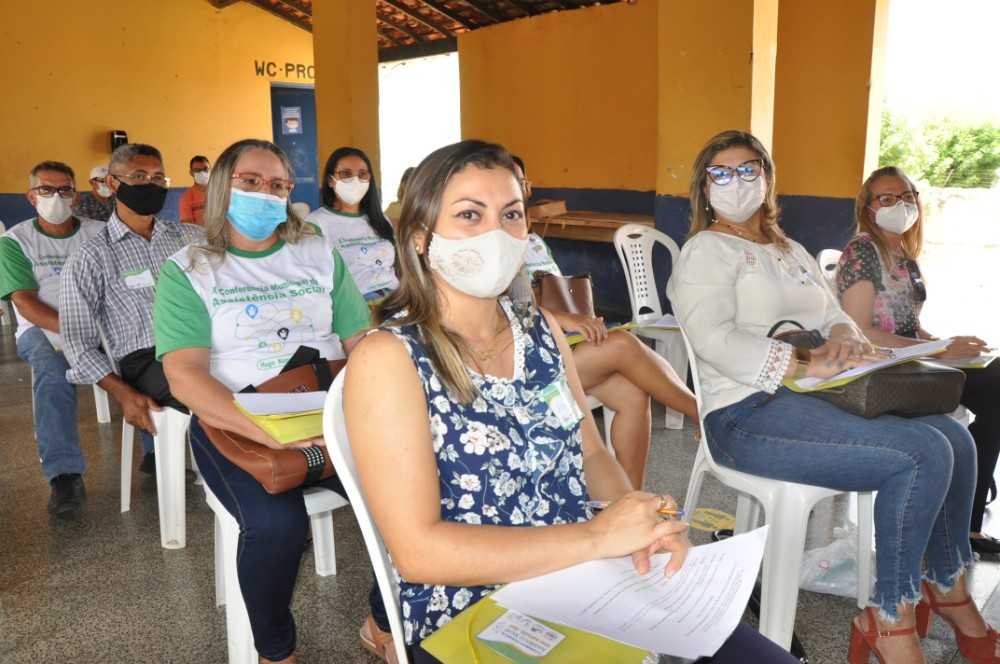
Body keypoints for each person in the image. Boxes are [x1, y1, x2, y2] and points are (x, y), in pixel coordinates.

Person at [344, 140, 797, 664]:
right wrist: (594, 538)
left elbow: (592, 455)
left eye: (511, 214)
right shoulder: (390, 358)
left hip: (586, 577)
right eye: (470, 214)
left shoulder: (541, 332)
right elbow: (419, 552)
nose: (497, 232)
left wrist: (636, 525)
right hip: (472, 603)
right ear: (421, 238)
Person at [667, 129, 1000, 664]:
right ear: (704, 189)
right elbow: (712, 340)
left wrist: (845, 337)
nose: (736, 183)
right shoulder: (705, 251)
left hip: (812, 396)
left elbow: (836, 313)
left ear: (768, 178)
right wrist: (804, 360)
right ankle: (889, 618)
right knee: (922, 454)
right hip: (745, 413)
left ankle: (947, 585)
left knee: (954, 436)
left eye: (749, 169)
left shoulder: (789, 249)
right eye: (721, 174)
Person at [154, 138, 370, 664]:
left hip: (330, 411)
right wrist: (275, 432)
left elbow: (361, 344)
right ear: (223, 188)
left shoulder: (318, 252)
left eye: (277, 185)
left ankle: (383, 623)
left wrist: (366, 414)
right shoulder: (188, 270)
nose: (264, 193)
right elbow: (184, 375)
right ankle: (276, 650)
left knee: (417, 489)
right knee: (277, 527)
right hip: (235, 420)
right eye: (249, 182)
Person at [838, 165, 1000, 556]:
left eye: (907, 197)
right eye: (887, 198)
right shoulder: (862, 252)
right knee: (996, 390)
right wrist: (939, 351)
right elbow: (860, 330)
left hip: (911, 359)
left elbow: (910, 326)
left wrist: (945, 343)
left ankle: (964, 511)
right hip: (881, 368)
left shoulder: (903, 255)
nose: (900, 204)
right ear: (868, 207)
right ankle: (962, 517)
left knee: (995, 386)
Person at [512, 155, 697, 489]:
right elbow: (495, 317)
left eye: (522, 184)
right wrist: (558, 317)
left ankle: (628, 500)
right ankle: (706, 416)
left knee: (630, 392)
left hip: (557, 348)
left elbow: (551, 294)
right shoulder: (483, 251)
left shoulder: (533, 241)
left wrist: (578, 317)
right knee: (624, 345)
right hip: (519, 366)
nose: (519, 192)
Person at [60, 143, 204, 475]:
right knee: (223, 388)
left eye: (158, 177)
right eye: (138, 176)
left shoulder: (190, 239)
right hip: (147, 359)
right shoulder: (90, 258)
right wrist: (124, 394)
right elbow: (77, 344)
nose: (150, 184)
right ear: (112, 183)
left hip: (204, 345)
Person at [0, 161, 103, 514]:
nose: (55, 197)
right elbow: (25, 304)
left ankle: (157, 453)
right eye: (46, 189)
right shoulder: (14, 241)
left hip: (103, 326)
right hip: (42, 330)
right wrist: (78, 331)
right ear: (31, 196)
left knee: (148, 357)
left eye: (64, 190)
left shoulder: (99, 232)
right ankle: (65, 476)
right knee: (51, 370)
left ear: (75, 197)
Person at [306, 147, 398, 302]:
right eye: (346, 174)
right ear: (330, 180)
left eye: (362, 174)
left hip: (395, 296)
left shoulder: (380, 219)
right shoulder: (317, 222)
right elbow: (314, 278)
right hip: (357, 304)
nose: (355, 180)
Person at [178, 155, 211, 226]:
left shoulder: (220, 192)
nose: (202, 173)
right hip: (199, 236)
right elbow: (189, 227)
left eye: (205, 169)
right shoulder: (186, 198)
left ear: (210, 170)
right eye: (197, 170)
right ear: (191, 173)